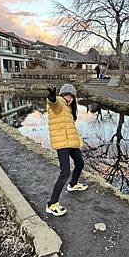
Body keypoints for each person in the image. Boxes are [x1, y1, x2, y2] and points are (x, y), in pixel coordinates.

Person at [46, 84, 88, 217]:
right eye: (67, 95)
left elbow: (71, 128)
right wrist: (52, 97)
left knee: (80, 163)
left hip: (71, 142)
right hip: (62, 143)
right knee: (65, 172)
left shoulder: (69, 108)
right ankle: (52, 204)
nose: (69, 98)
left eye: (72, 96)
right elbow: (54, 103)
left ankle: (73, 184)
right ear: (62, 95)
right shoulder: (59, 104)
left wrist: (79, 141)